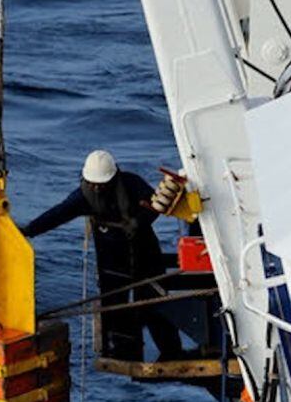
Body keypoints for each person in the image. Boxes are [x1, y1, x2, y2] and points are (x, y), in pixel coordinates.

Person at [21, 150, 182, 361]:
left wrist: (140, 222)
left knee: (154, 303)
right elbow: (57, 214)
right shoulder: (82, 197)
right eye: (93, 183)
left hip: (144, 251)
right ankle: (124, 353)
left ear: (113, 178)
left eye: (101, 184)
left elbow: (156, 205)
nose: (96, 188)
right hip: (112, 258)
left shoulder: (132, 184)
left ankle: (172, 352)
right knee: (115, 307)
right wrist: (29, 230)